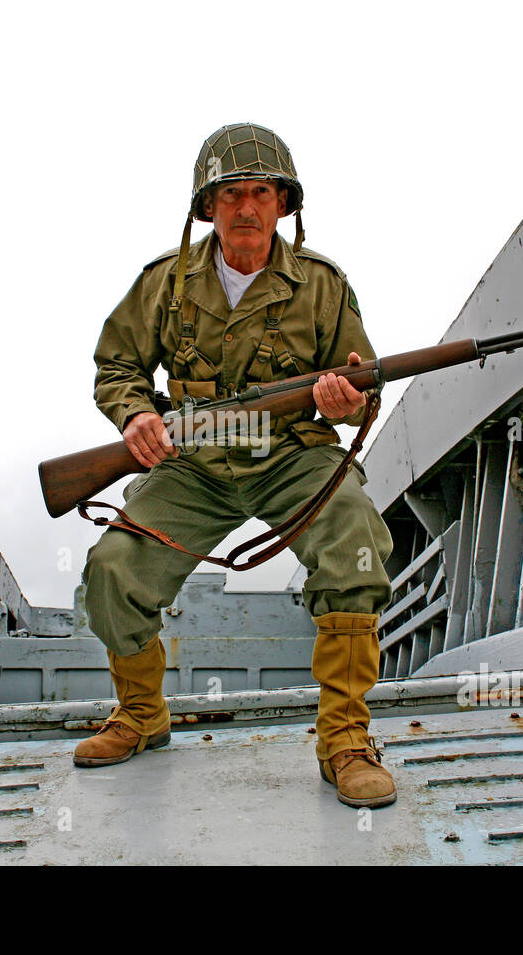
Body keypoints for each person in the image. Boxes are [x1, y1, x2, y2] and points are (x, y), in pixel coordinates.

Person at [75, 123, 396, 808]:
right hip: (194, 465)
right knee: (113, 569)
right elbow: (118, 363)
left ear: (284, 205)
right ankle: (140, 715)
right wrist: (136, 415)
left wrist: (343, 399)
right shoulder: (165, 283)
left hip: (291, 456)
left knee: (356, 543)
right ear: (207, 207)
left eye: (261, 193)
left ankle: (344, 737)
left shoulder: (322, 286)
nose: (246, 208)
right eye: (230, 196)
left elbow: (357, 384)